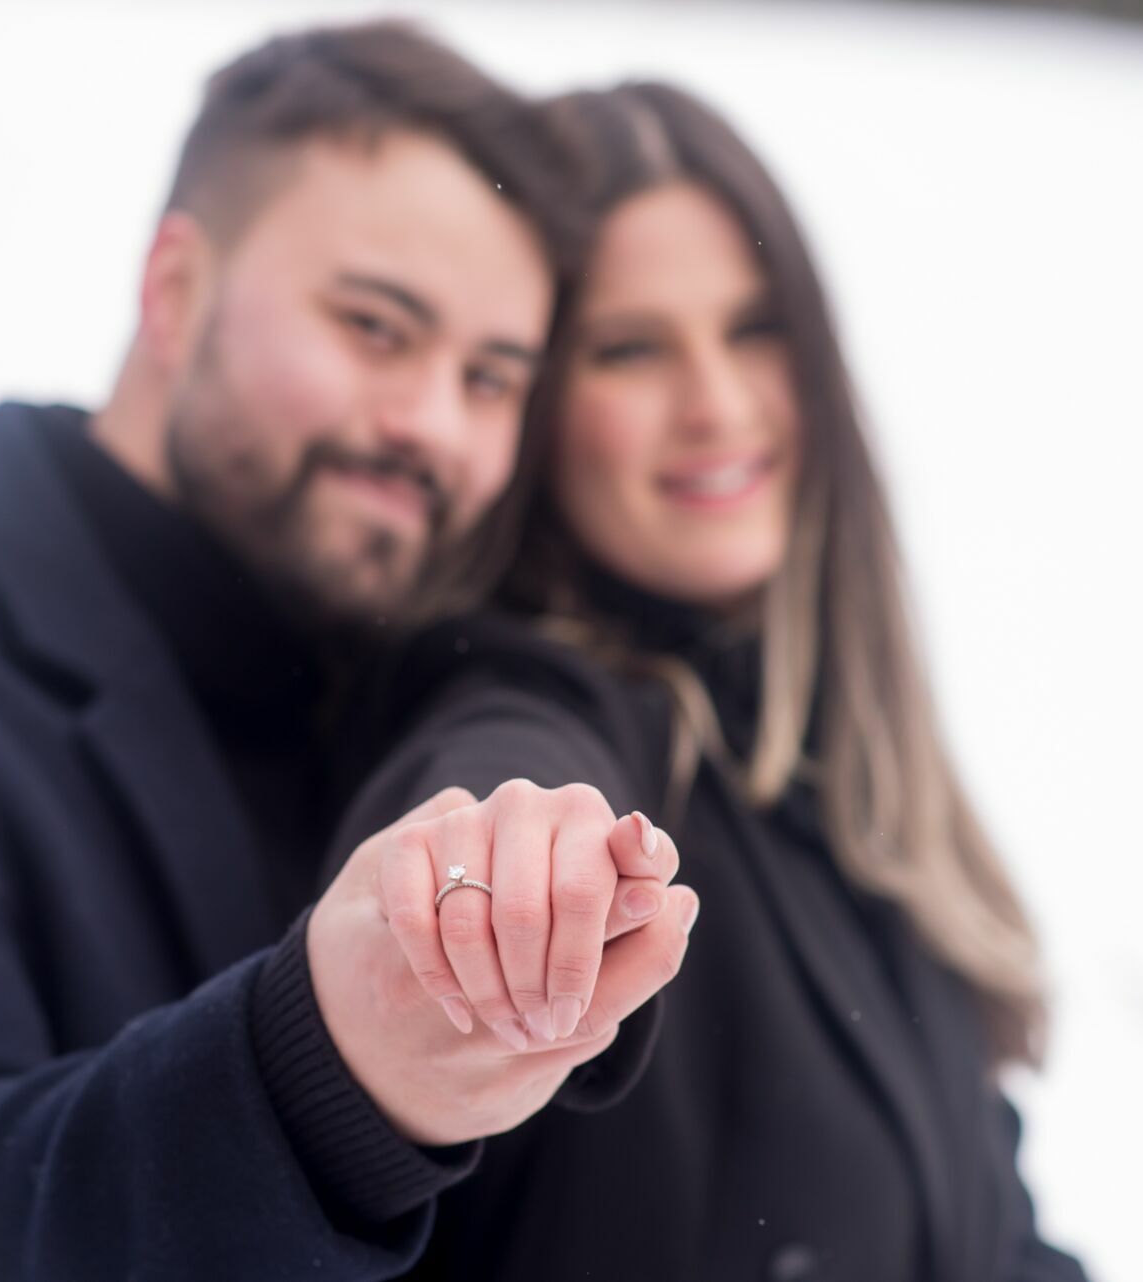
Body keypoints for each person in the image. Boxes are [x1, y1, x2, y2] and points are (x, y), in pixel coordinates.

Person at [0, 25, 695, 1282]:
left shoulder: (384, 706)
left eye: (491, 378)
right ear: (176, 290)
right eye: (375, 326)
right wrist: (323, 1070)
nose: (433, 426)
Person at [330, 83, 1091, 1280]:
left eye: (754, 328)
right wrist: (496, 867)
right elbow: (494, 786)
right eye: (630, 349)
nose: (718, 405)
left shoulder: (834, 766)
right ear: (530, 403)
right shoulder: (527, 714)